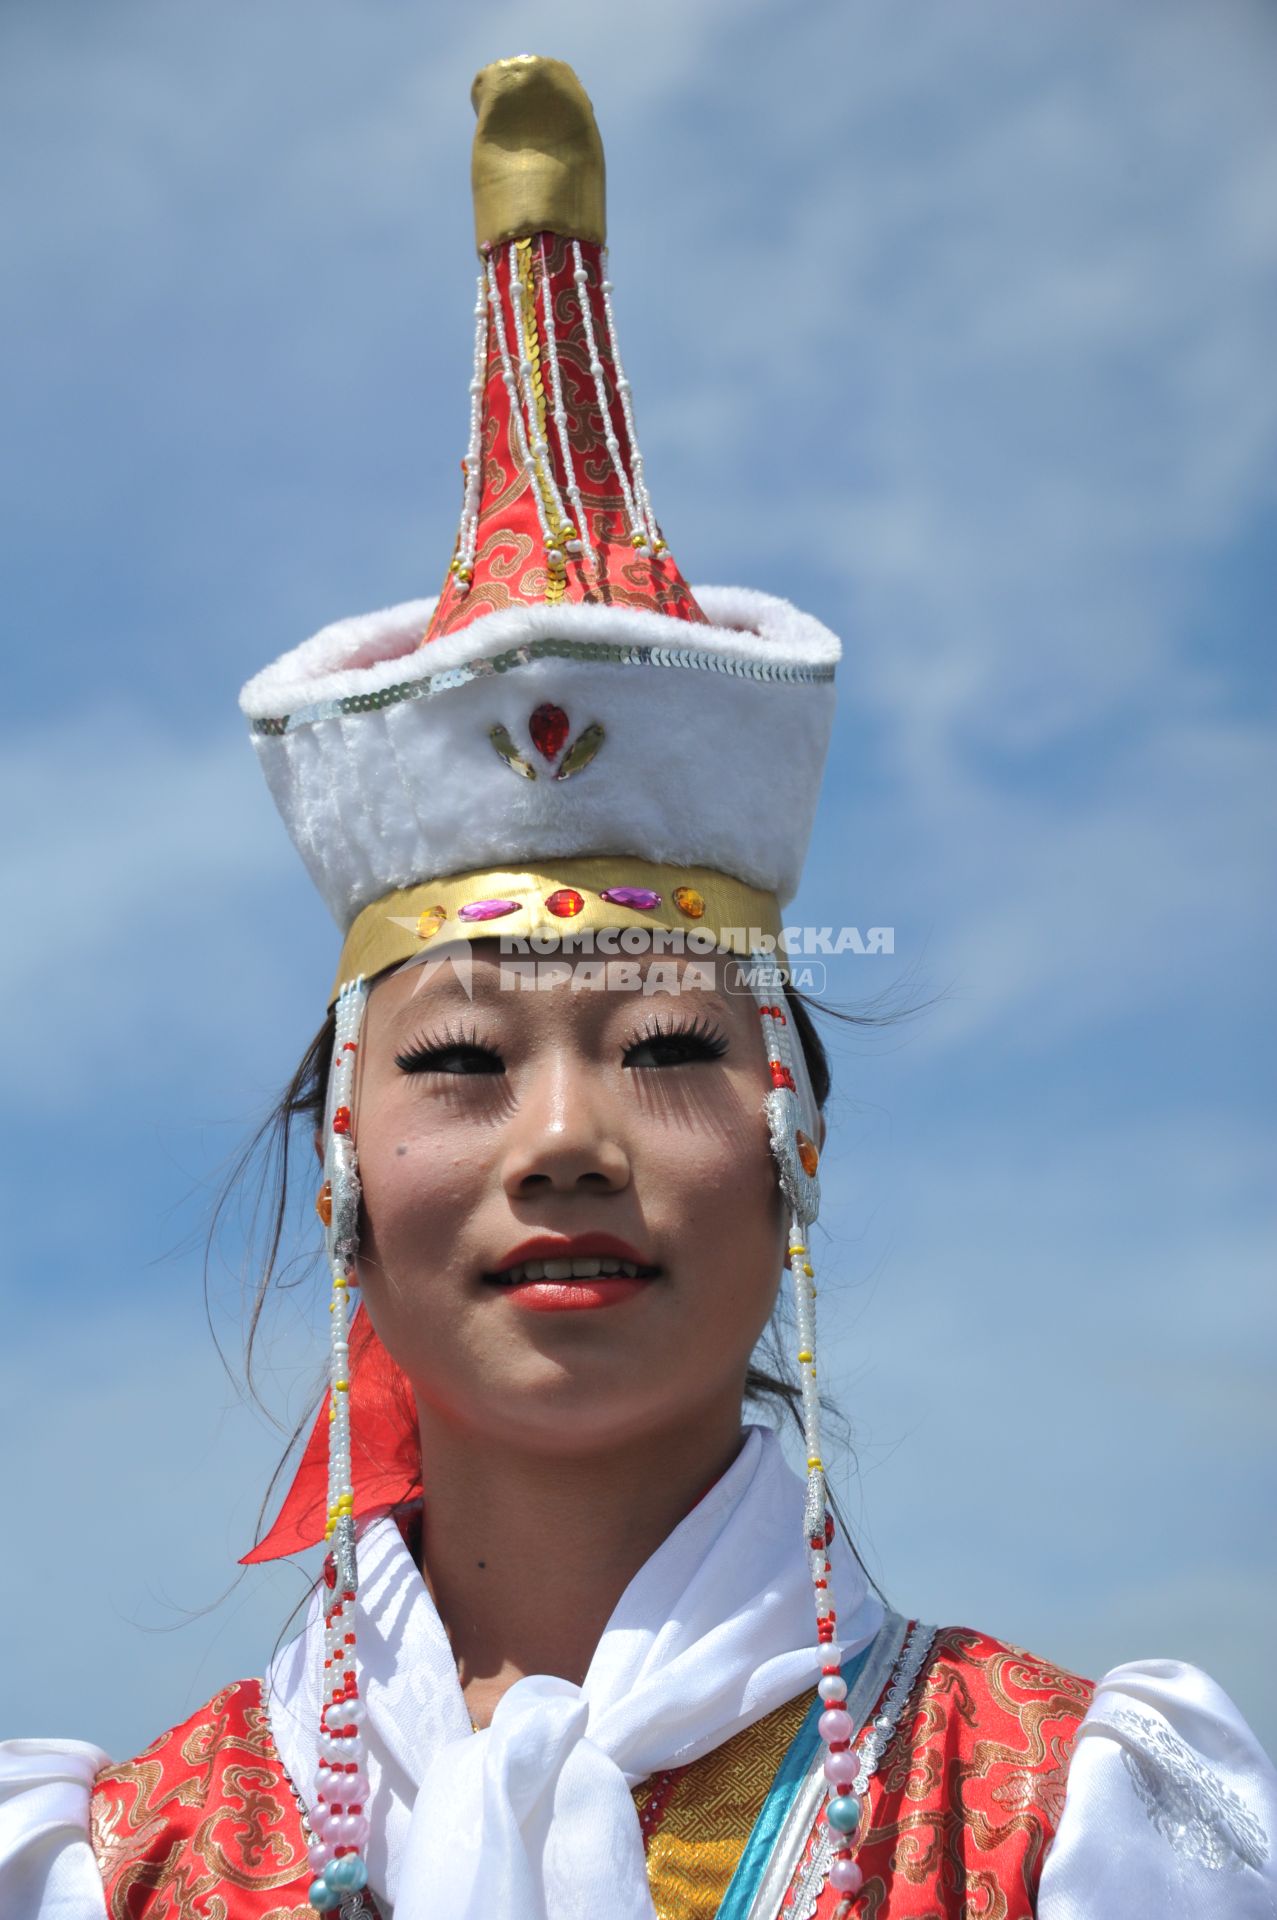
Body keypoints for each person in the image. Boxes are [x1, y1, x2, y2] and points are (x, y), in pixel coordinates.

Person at [2, 52, 1273, 1920]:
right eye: (461, 1065)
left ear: (794, 1151)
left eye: (668, 1043)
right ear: (346, 1174)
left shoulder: (1064, 1830)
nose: (566, 1138)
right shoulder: (118, 1870)